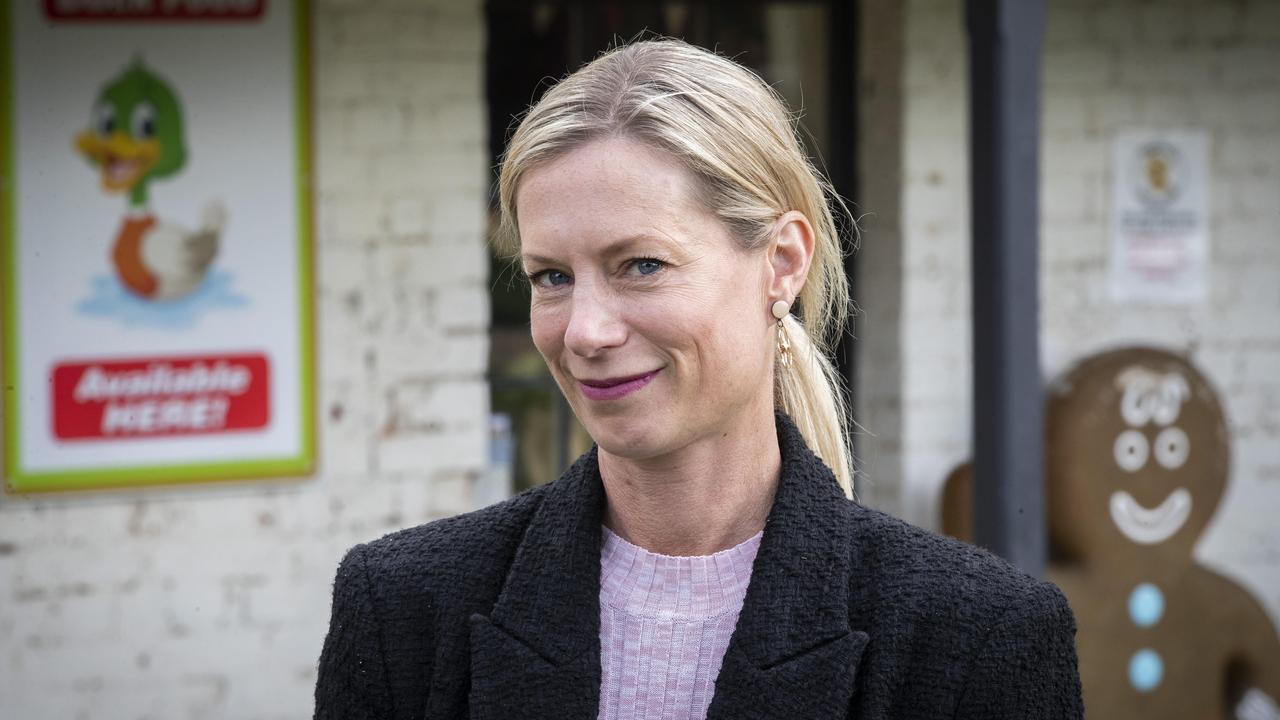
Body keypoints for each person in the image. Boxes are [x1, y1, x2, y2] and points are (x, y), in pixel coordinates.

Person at [314, 39, 1083, 720]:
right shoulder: (403, 606)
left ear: (781, 264)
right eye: (551, 277)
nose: (584, 330)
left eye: (640, 265)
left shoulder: (978, 636)